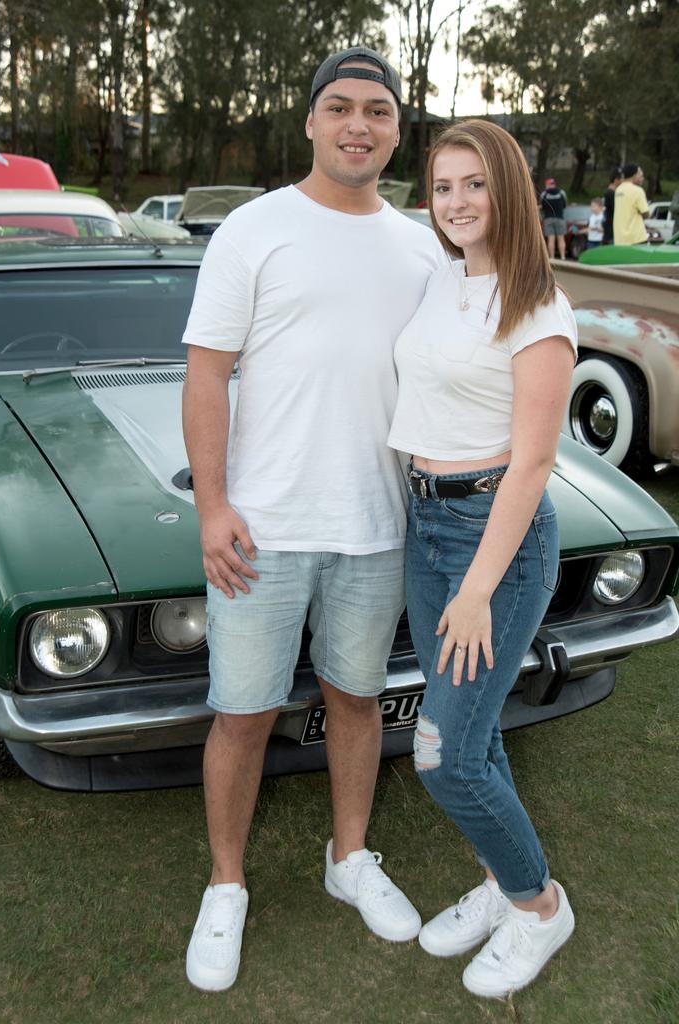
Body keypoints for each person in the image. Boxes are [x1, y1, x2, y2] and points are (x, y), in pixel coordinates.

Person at [180, 46, 445, 992]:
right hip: (264, 528)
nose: (359, 125)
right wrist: (213, 507)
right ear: (310, 121)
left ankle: (350, 858)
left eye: (377, 110)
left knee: (356, 702)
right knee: (244, 715)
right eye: (340, 106)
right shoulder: (254, 230)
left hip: (378, 525)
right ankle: (226, 885)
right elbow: (206, 372)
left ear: (394, 131)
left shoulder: (423, 243)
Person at [388, 119, 577, 999]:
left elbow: (533, 462)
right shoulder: (440, 279)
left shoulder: (539, 304)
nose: (457, 203)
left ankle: (539, 906)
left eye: (475, 185)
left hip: (491, 539)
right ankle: (502, 883)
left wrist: (476, 590)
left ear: (507, 189)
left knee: (443, 754)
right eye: (443, 187)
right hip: (425, 530)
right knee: (471, 732)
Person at [614, 163, 649, 245]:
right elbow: (646, 213)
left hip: (620, 238)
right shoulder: (638, 190)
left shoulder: (618, 190)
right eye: (641, 176)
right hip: (636, 238)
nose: (642, 178)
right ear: (634, 175)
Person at [538, 177, 567, 258]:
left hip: (548, 219)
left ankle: (552, 257)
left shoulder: (544, 194)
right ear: (554, 184)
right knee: (561, 238)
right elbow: (564, 205)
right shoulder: (561, 193)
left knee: (551, 239)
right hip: (560, 218)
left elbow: (543, 206)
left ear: (547, 185)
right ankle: (563, 257)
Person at [602, 166, 623, 244]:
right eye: (621, 179)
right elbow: (617, 211)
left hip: (609, 231)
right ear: (616, 180)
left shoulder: (607, 192)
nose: (623, 181)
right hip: (611, 231)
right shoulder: (611, 194)